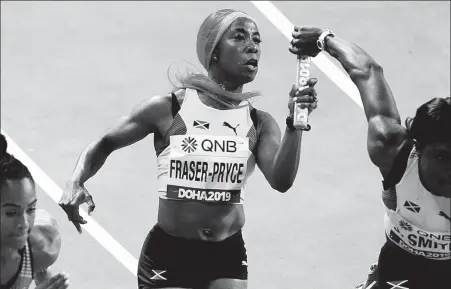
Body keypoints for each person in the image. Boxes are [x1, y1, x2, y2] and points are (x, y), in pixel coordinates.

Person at [58, 8, 319, 289]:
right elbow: (104, 143)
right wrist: (76, 180)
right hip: (170, 254)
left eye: (257, 39)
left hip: (226, 253)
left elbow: (281, 181)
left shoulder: (259, 123)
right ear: (214, 51)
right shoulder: (169, 110)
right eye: (240, 37)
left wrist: (294, 123)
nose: (252, 46)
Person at [290, 27, 450, 289]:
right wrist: (323, 39)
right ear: (418, 149)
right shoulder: (393, 152)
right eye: (443, 157)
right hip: (400, 267)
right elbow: (367, 73)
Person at [0, 134, 70, 289]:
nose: (24, 224)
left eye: (31, 209)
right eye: (11, 212)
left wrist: (43, 275)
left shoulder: (41, 247)